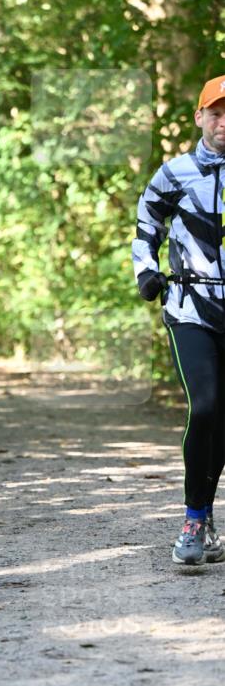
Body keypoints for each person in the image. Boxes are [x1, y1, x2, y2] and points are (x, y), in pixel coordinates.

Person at [132, 73, 225, 566]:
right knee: (205, 406)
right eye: (216, 112)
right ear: (200, 117)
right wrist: (147, 272)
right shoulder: (175, 173)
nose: (224, 121)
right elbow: (146, 229)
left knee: (224, 420)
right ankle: (192, 519)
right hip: (190, 307)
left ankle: (205, 515)